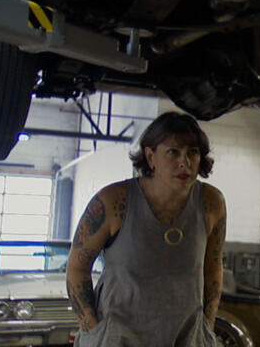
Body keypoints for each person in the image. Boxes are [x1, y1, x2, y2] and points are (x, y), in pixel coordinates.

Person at [66, 111, 227, 347]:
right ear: (150, 157)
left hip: (185, 337)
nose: (184, 162)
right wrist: (93, 328)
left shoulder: (211, 202)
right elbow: (77, 267)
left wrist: (207, 325)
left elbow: (213, 267)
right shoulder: (113, 201)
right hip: (117, 337)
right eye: (173, 152)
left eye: (192, 152)